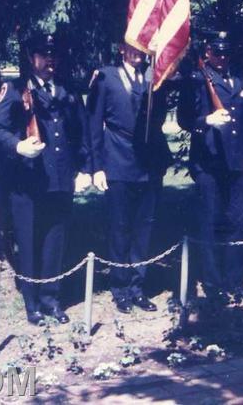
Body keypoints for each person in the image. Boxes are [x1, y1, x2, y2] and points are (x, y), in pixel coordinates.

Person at [0, 32, 90, 325]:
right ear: (31, 58)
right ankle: (31, 302)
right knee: (29, 240)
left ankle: (51, 298)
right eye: (44, 55)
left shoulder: (67, 90)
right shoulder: (15, 89)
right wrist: (17, 145)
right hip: (28, 180)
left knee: (55, 240)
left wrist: (83, 168)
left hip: (59, 178)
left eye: (53, 55)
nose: (50, 60)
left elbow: (80, 134)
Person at [87, 42, 172, 313]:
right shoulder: (105, 76)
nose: (137, 53)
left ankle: (138, 287)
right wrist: (96, 166)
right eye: (131, 47)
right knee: (120, 228)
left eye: (141, 48)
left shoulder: (154, 76)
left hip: (148, 164)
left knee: (143, 229)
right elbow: (93, 124)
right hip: (117, 161)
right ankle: (120, 288)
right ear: (122, 49)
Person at [178, 31, 243, 301]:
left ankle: (235, 279)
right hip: (210, 162)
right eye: (217, 53)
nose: (222, 57)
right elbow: (184, 119)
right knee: (211, 221)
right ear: (208, 52)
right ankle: (213, 282)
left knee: (237, 222)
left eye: (226, 53)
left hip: (236, 161)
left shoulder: (237, 78)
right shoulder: (197, 80)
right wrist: (206, 121)